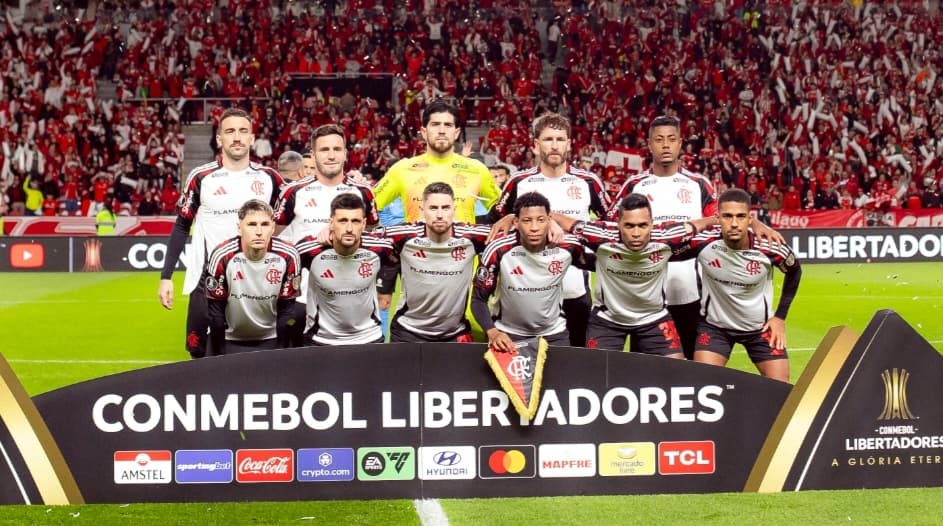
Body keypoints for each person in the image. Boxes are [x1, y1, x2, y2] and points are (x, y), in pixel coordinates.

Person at [607, 115, 781, 359]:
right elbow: (611, 229)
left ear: (680, 143)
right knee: (647, 372)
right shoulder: (635, 185)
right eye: (659, 140)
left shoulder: (698, 184)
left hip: (692, 294)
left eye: (671, 139)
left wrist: (754, 221)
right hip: (647, 297)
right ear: (649, 144)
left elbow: (721, 220)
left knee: (690, 371)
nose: (665, 145)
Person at [158, 107, 284, 359]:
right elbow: (182, 225)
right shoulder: (201, 177)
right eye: (230, 131)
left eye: (242, 131)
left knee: (258, 352)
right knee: (199, 352)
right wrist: (166, 276)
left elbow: (287, 221)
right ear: (219, 139)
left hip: (256, 280)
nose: (236, 137)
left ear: (251, 137)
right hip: (207, 280)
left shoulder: (270, 178)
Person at [488, 112, 610, 347]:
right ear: (535, 145)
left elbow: (610, 226)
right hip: (527, 290)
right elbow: (495, 221)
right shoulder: (519, 182)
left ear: (569, 144)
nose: (554, 145)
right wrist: (510, 216)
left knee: (574, 360)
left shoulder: (588, 182)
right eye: (548, 139)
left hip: (573, 288)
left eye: (560, 139)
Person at [554, 194, 718, 356]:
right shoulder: (600, 235)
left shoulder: (667, 236)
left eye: (643, 225)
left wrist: (714, 220)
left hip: (654, 318)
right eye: (629, 226)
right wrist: (550, 223)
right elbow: (566, 222)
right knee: (596, 378)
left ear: (652, 224)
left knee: (675, 373)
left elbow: (695, 225)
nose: (636, 233)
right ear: (618, 224)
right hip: (607, 320)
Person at [273, 124, 379, 345]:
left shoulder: (363, 192)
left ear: (345, 153)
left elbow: (373, 241)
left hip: (353, 299)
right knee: (298, 373)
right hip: (300, 299)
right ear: (312, 155)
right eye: (324, 150)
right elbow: (271, 240)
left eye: (337, 149)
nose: (331, 156)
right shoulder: (294, 192)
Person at [690, 189, 802, 382]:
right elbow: (664, 243)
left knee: (780, 390)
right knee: (703, 385)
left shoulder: (770, 247)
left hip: (760, 328)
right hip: (715, 327)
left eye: (741, 216)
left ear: (750, 219)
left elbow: (794, 271)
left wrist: (780, 318)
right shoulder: (701, 243)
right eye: (727, 216)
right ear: (717, 218)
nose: (734, 223)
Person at [471, 192, 589, 352]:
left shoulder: (568, 246)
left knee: (563, 377)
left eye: (541, 220)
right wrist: (493, 332)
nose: (534, 228)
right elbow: (478, 299)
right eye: (527, 220)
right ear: (516, 222)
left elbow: (596, 263)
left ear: (549, 220)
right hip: (507, 335)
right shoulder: (499, 249)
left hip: (555, 334)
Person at [379, 182, 491, 343]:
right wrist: (329, 233)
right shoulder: (404, 235)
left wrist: (509, 220)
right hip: (408, 332)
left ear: (454, 210)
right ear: (422, 210)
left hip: (455, 333)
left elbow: (513, 236)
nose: (439, 215)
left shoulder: (472, 237)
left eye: (445, 208)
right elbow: (364, 238)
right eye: (433, 208)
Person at [373, 99, 501, 224]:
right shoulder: (401, 169)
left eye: (448, 125)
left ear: (456, 133)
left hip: (464, 245)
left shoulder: (477, 169)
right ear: (424, 132)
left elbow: (505, 209)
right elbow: (367, 209)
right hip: (416, 245)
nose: (441, 131)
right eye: (435, 124)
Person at [295, 194, 397, 345]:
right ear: (331, 223)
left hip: (369, 338)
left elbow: (396, 259)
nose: (349, 228)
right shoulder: (309, 250)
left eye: (355, 221)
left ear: (364, 224)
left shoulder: (380, 248)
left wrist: (385, 289)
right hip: (321, 339)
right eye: (342, 221)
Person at [205, 199, 300, 354]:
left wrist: (281, 351)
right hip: (228, 337)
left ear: (273, 228)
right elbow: (215, 312)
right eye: (251, 224)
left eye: (265, 224)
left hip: (272, 337)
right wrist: (220, 354)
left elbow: (287, 311)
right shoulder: (222, 255)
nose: (258, 231)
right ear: (239, 228)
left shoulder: (288, 255)